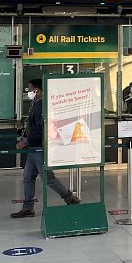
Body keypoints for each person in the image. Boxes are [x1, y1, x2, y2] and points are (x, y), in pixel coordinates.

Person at [11, 79, 79, 218]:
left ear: (37, 90)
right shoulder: (35, 103)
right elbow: (32, 125)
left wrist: (26, 140)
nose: (28, 92)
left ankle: (69, 198)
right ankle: (28, 208)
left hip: (40, 147)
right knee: (28, 177)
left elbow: (42, 128)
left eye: (30, 89)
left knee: (48, 178)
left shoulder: (43, 106)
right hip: (33, 148)